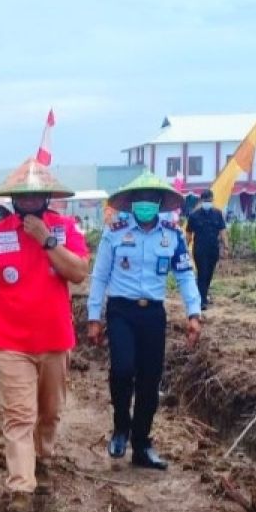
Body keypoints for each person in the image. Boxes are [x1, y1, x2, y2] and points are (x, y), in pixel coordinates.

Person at [0, 161, 90, 512]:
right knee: (19, 415)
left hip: (55, 341)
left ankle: (42, 458)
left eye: (36, 194)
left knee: (49, 412)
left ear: (47, 196)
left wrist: (46, 239)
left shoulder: (66, 229)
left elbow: (79, 272)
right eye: (23, 196)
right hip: (12, 344)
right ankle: (21, 488)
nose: (29, 200)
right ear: (13, 199)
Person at [87, 171, 202, 471]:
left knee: (150, 382)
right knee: (123, 369)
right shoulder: (114, 233)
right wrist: (93, 316)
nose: (146, 204)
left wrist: (194, 313)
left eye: (152, 199)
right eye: (141, 199)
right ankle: (120, 428)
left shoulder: (172, 236)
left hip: (153, 314)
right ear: (132, 203)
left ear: (161, 202)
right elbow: (99, 277)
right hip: (121, 311)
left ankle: (142, 444)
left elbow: (185, 275)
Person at [184, 189, 229, 310]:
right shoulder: (194, 216)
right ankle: (201, 300)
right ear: (201, 201)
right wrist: (184, 249)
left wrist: (226, 247)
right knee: (202, 273)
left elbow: (223, 231)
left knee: (209, 274)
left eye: (210, 201)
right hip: (199, 249)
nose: (208, 203)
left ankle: (202, 295)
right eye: (206, 201)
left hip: (213, 249)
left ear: (212, 200)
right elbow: (188, 234)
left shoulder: (217, 214)